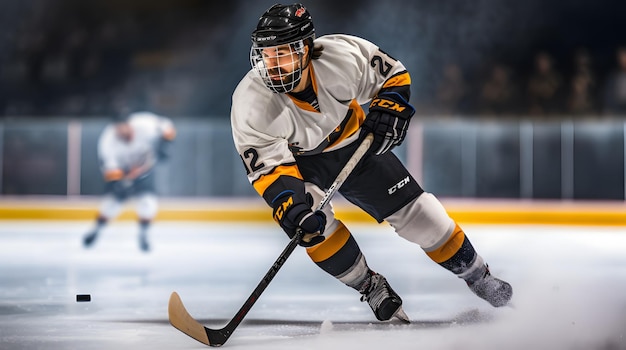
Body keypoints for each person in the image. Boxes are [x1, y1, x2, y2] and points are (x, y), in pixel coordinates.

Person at [231, 3, 512, 322]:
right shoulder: (250, 101)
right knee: (310, 226)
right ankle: (371, 285)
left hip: (356, 147)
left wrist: (389, 108)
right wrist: (291, 207)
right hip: (301, 165)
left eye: (282, 53)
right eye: (267, 55)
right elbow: (269, 168)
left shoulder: (340, 55)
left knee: (424, 217)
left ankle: (480, 277)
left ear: (307, 48)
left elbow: (393, 75)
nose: (273, 64)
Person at [82, 110, 176, 252]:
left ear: (129, 123)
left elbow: (168, 126)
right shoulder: (108, 141)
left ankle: (144, 234)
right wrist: (121, 182)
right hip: (123, 171)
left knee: (148, 203)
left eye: (123, 127)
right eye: (117, 129)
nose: (120, 132)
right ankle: (96, 230)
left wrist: (165, 143)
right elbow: (111, 169)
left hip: (144, 168)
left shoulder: (144, 124)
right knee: (111, 204)